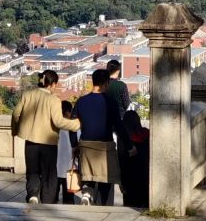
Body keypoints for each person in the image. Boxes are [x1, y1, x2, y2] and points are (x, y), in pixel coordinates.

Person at [10, 71, 80, 204]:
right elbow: (58, 121)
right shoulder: (53, 100)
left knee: (32, 171)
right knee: (49, 173)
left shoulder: (27, 95)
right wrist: (75, 125)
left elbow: (15, 114)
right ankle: (47, 199)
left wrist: (15, 130)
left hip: (30, 141)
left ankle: (33, 194)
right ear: (52, 84)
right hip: (48, 143)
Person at [72, 68, 127, 206]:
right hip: (105, 146)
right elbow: (118, 125)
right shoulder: (110, 102)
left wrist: (74, 145)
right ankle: (104, 207)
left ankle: (87, 192)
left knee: (89, 174)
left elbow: (72, 125)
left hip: (86, 144)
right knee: (106, 180)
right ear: (106, 83)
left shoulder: (81, 101)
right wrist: (129, 145)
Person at [120, 108, 150, 209]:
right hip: (145, 176)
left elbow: (122, 161)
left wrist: (122, 182)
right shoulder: (147, 135)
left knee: (131, 207)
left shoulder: (125, 140)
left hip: (130, 179)